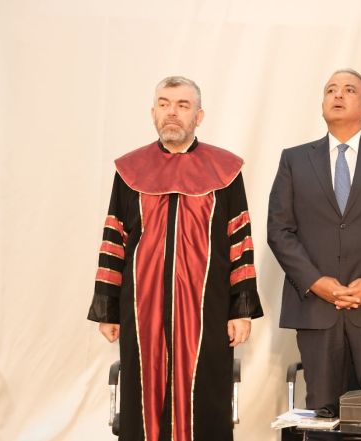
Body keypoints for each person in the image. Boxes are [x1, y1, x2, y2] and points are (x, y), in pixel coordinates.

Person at [87, 76, 263, 441]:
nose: (172, 112)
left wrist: (241, 309)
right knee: (143, 397)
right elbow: (114, 240)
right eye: (165, 104)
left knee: (205, 397)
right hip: (141, 308)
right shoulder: (131, 171)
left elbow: (240, 242)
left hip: (208, 309)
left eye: (183, 105)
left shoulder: (225, 171)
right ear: (153, 113)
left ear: (199, 116)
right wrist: (108, 309)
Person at [267, 68, 361, 411]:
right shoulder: (294, 159)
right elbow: (279, 230)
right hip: (316, 308)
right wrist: (315, 281)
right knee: (323, 413)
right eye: (330, 90)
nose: (337, 95)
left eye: (349, 89)